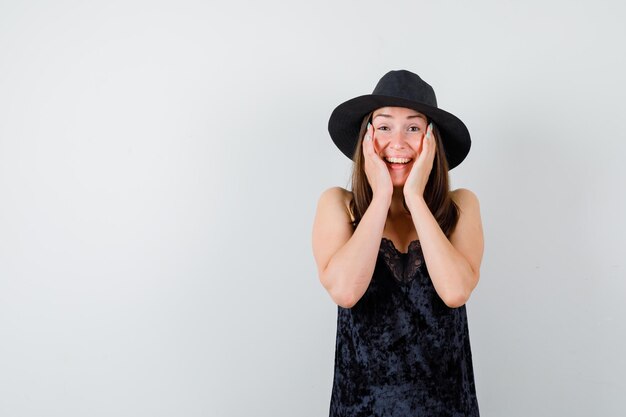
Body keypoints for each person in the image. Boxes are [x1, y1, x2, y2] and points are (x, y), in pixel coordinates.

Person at [312, 70, 484, 416]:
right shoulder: (337, 204)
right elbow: (345, 292)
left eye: (414, 128)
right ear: (366, 137)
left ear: (432, 140)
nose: (398, 142)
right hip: (360, 407)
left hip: (447, 407)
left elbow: (455, 292)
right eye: (385, 126)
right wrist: (380, 198)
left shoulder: (461, 204)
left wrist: (416, 199)